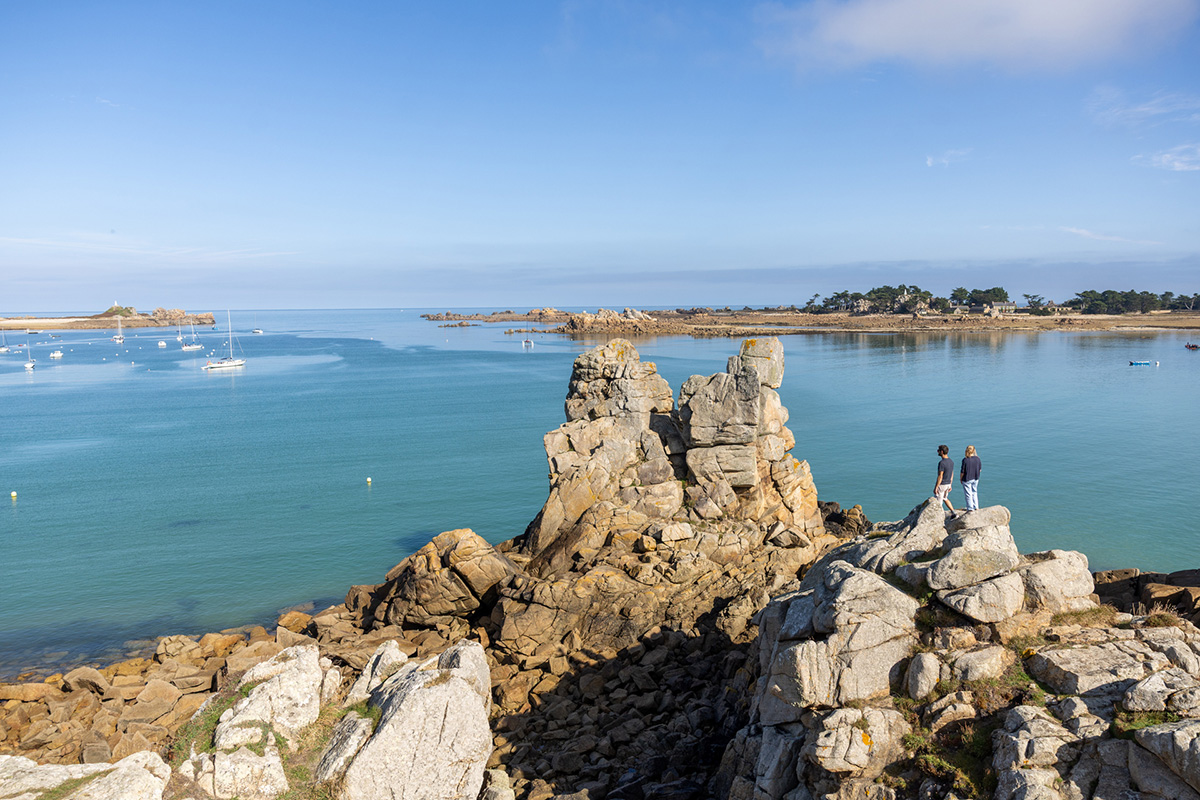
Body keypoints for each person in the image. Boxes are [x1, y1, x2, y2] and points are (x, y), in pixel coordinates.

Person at [934, 445, 955, 516]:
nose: (937, 451)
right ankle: (953, 512)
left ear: (942, 452)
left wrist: (936, 487)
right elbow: (952, 474)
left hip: (942, 485)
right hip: (948, 484)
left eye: (938, 450)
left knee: (938, 503)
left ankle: (939, 518)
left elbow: (940, 476)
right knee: (945, 498)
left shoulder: (942, 463)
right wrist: (950, 484)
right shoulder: (951, 461)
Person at [961, 445, 982, 511]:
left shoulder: (965, 460)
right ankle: (976, 507)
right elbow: (980, 469)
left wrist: (960, 479)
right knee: (974, 492)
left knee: (968, 494)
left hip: (967, 478)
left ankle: (970, 508)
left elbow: (962, 472)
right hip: (976, 478)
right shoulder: (978, 459)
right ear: (974, 450)